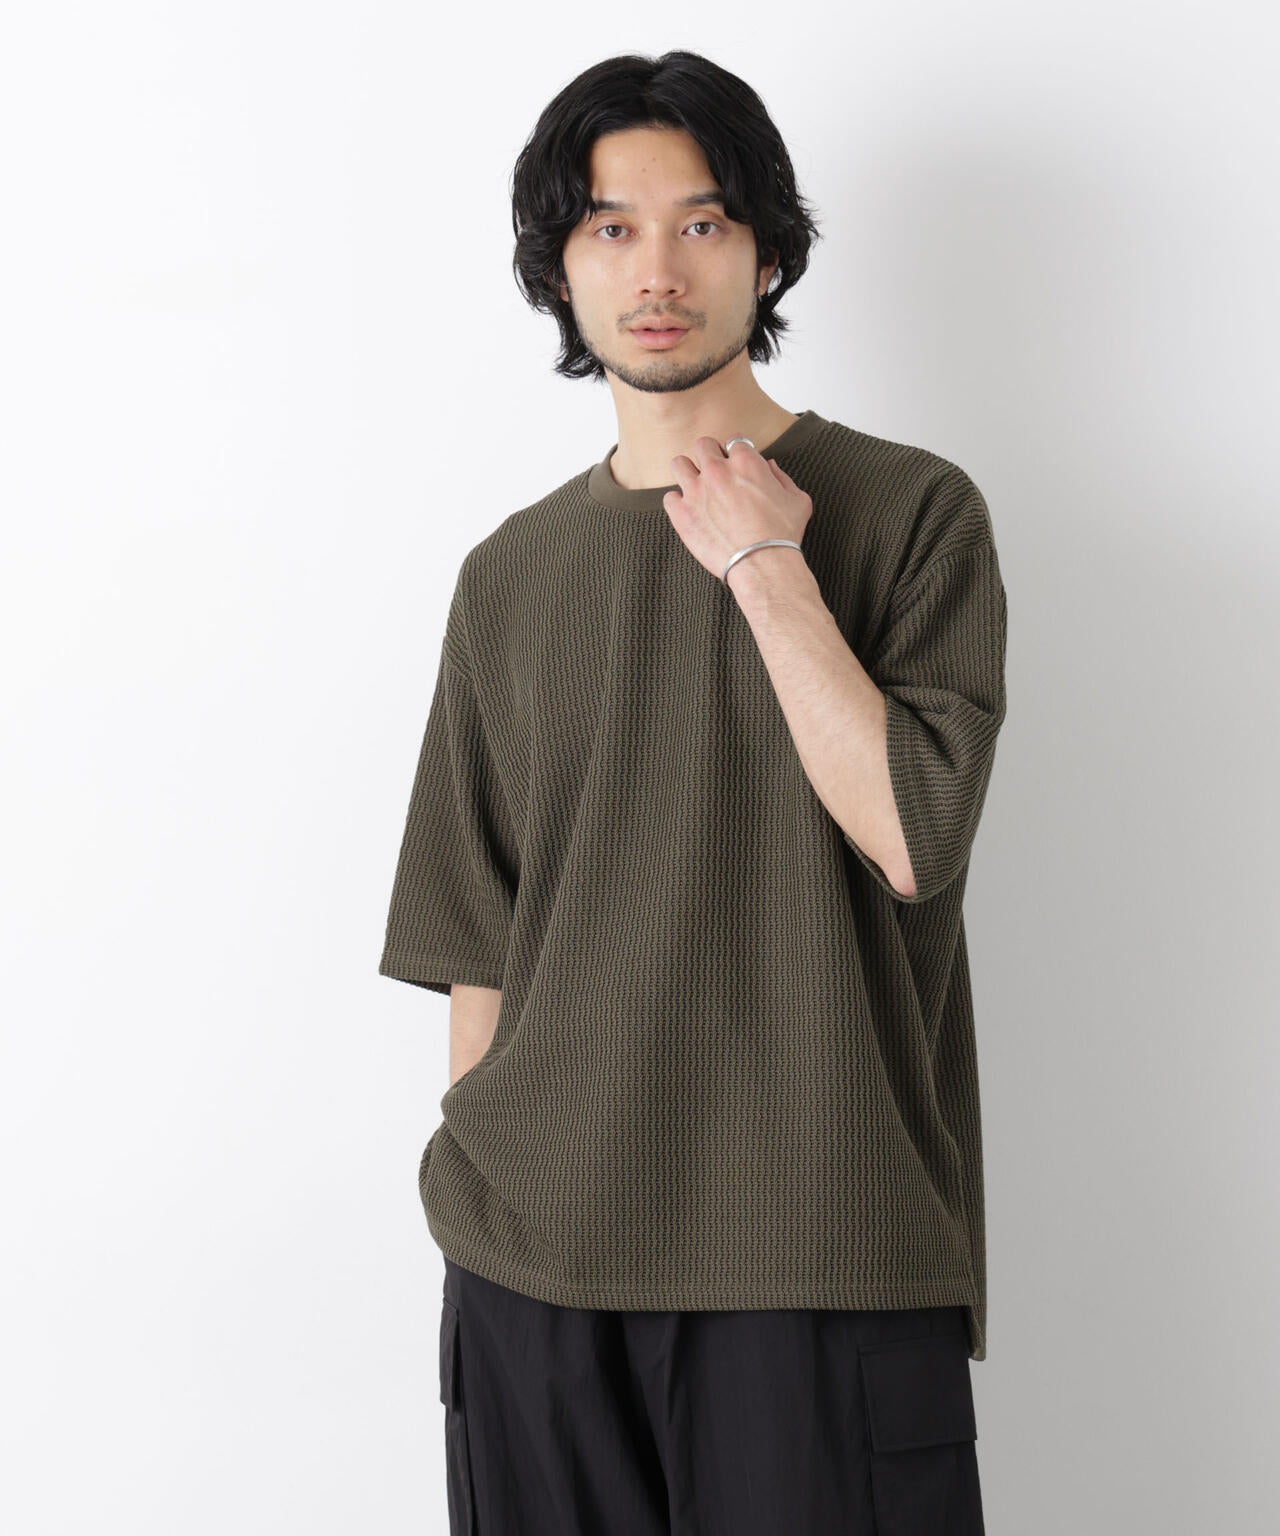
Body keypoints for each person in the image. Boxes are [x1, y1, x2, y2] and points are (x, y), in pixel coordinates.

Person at [378, 48, 1005, 1536]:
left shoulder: (911, 512)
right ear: (561, 268)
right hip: (534, 1272)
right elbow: (478, 944)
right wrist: (483, 1204)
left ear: (767, 252)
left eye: (702, 223)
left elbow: (914, 837)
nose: (656, 270)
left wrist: (767, 564)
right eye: (611, 228)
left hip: (821, 1254)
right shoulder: (511, 575)